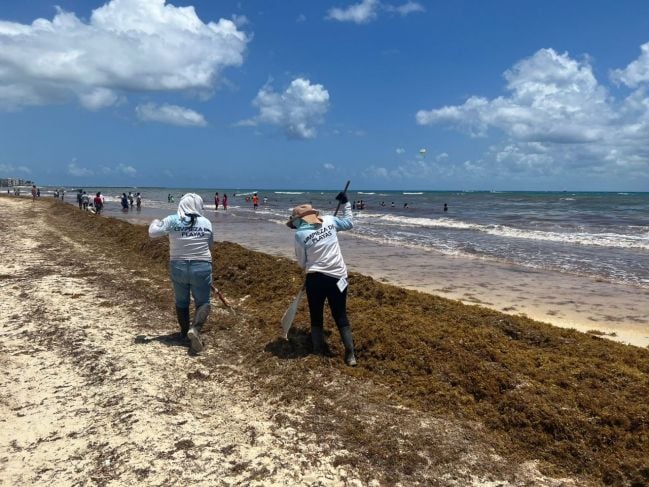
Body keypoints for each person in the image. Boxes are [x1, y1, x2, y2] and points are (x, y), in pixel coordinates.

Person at [286, 191, 357, 366]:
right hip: (339, 278)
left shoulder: (300, 235)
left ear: (298, 220)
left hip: (315, 280)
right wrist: (346, 203)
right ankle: (350, 355)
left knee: (316, 314)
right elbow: (349, 223)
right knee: (340, 314)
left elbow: (302, 263)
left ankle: (318, 349)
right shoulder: (330, 221)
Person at [148, 194, 213, 354]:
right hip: (202, 265)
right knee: (203, 302)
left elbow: (152, 233)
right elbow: (210, 245)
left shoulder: (172, 220)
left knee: (182, 301)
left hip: (178, 267)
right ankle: (195, 329)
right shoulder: (206, 222)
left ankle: (184, 333)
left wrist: (155, 221)